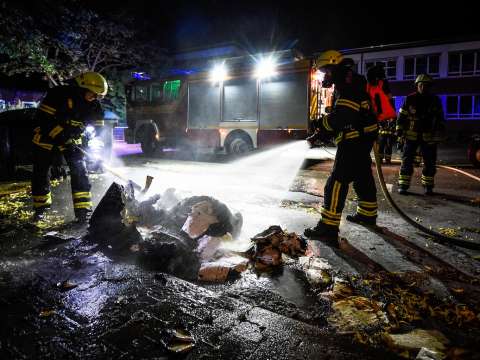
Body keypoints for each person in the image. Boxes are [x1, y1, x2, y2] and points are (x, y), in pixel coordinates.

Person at [304, 50, 378, 247]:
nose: (324, 76)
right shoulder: (352, 81)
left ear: (334, 66)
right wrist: (321, 135)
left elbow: (343, 117)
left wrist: (320, 124)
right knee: (362, 176)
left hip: (354, 140)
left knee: (336, 182)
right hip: (361, 138)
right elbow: (345, 118)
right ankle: (367, 214)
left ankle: (328, 228)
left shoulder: (347, 84)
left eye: (326, 72)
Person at [31, 72, 107, 222]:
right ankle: (40, 209)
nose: (95, 98)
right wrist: (63, 137)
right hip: (46, 138)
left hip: (72, 141)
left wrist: (95, 149)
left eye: (99, 96)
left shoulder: (95, 106)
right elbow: (44, 120)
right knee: (41, 172)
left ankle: (83, 211)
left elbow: (98, 131)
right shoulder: (58, 95)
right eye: (93, 94)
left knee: (80, 171)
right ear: (82, 88)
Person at [396, 74, 445, 195]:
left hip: (428, 135)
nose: (423, 87)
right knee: (407, 160)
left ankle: (428, 186)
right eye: (420, 85)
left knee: (430, 162)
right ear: (417, 86)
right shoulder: (410, 98)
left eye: (425, 85)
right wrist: (399, 129)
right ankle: (403, 185)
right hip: (411, 135)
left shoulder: (435, 100)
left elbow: (439, 118)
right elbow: (402, 115)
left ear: (429, 87)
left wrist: (439, 130)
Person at [366, 64, 397, 164]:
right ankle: (372, 157)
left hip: (384, 117)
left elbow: (389, 99)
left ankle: (382, 158)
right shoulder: (369, 86)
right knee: (375, 140)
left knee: (383, 141)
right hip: (376, 117)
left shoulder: (381, 84)